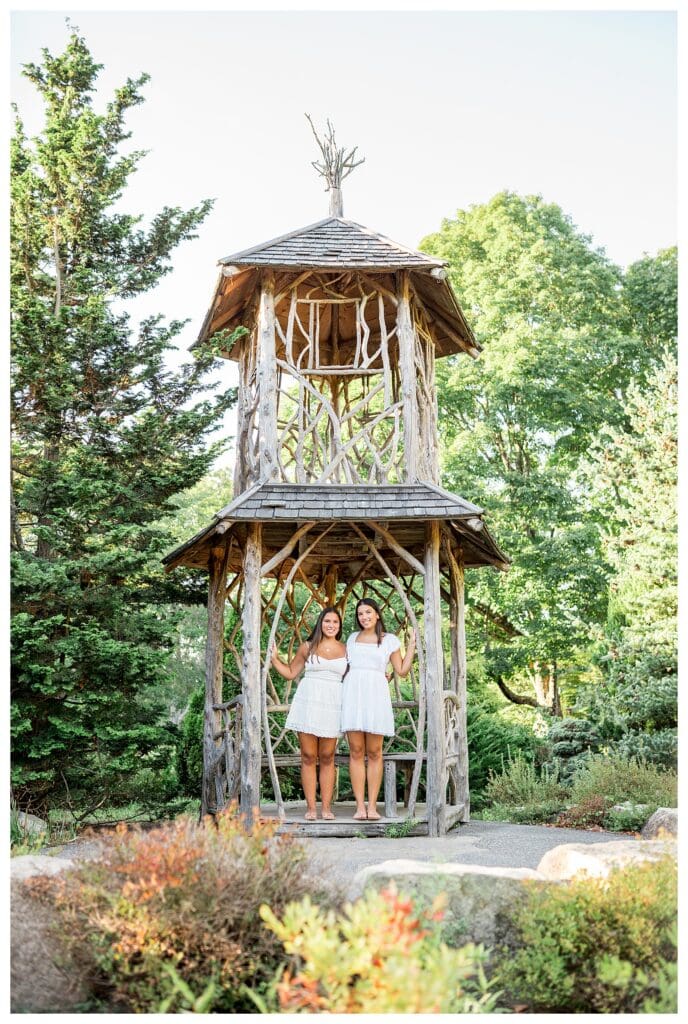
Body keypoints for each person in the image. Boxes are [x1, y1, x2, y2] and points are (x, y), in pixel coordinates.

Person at [341, 598, 416, 820]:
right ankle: (360, 807)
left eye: (368, 612)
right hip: (353, 695)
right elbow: (347, 667)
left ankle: (372, 807)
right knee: (356, 751)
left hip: (376, 696)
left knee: (374, 752)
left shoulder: (389, 640)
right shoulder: (352, 638)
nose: (364, 617)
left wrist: (412, 645)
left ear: (377, 614)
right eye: (360, 613)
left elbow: (401, 670)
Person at [270, 606, 347, 821]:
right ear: (320, 623)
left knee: (328, 756)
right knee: (308, 756)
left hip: (332, 704)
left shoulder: (346, 649)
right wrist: (275, 659)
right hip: (308, 703)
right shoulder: (307, 647)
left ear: (339, 626)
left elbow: (355, 676)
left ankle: (326, 808)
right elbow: (291, 672)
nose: (331, 625)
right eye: (327, 621)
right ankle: (311, 808)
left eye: (335, 622)